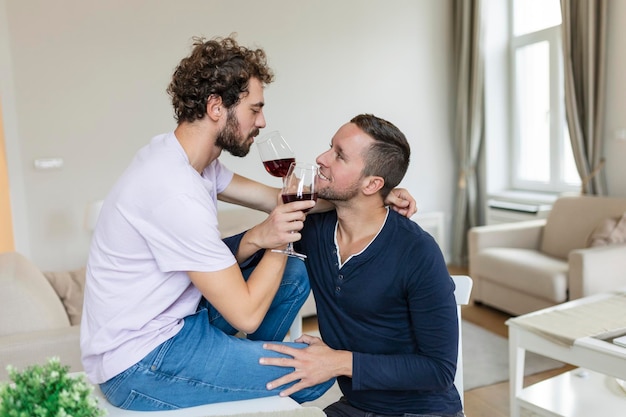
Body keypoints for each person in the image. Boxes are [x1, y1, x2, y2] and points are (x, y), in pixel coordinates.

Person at [80, 36, 415, 411]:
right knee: (307, 376)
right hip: (141, 362)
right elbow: (248, 315)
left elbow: (280, 197)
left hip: (177, 321)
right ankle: (242, 370)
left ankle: (239, 366)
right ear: (216, 107)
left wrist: (372, 194)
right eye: (255, 109)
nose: (262, 121)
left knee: (296, 270)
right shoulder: (174, 192)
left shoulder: (188, 160)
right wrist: (274, 239)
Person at [260, 114, 464, 417]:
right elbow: (231, 253)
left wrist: (337, 362)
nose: (321, 158)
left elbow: (438, 370)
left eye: (339, 155)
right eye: (330, 147)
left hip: (423, 411)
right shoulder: (314, 231)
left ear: (372, 183)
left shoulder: (417, 251)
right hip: (355, 407)